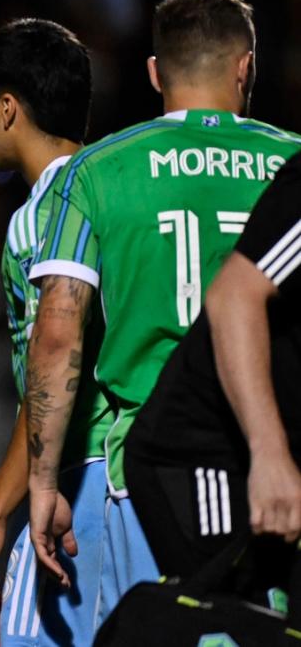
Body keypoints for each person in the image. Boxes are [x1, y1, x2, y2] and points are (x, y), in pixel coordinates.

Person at [23, 0, 301, 625]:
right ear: (245, 66)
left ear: (155, 72)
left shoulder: (93, 172)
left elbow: (58, 335)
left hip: (153, 469)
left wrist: (44, 482)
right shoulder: (291, 163)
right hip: (279, 459)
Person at [0, 19, 112, 646]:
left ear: (9, 108)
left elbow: (53, 367)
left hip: (80, 476)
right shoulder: (117, 192)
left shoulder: (40, 218)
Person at [126, 151, 301, 607]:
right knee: (238, 625)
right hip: (207, 454)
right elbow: (234, 296)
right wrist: (271, 456)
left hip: (277, 458)